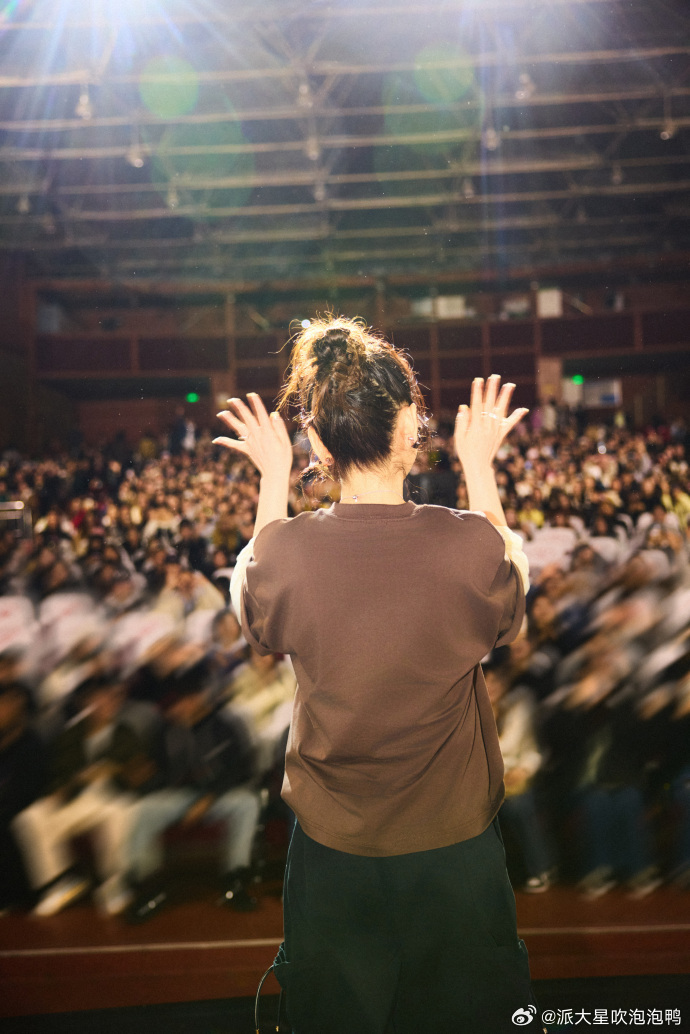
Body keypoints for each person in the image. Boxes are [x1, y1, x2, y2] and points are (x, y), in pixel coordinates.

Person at [221, 318, 537, 1032]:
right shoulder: (467, 544)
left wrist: (273, 483)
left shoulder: (289, 553)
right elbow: (509, 595)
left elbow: (255, 613)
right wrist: (480, 466)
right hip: (455, 854)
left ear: (320, 446)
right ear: (411, 431)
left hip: (334, 857)